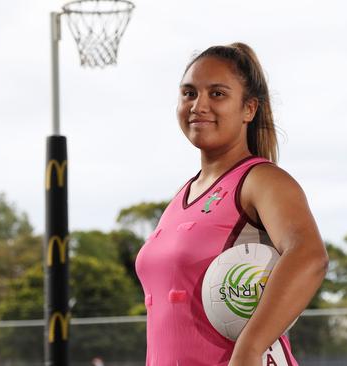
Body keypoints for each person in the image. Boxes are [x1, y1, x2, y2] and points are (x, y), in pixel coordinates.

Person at [135, 42, 329, 366]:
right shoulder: (181, 197)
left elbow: (309, 255)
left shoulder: (261, 180)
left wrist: (249, 349)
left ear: (249, 109)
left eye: (217, 94)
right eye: (189, 93)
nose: (198, 105)